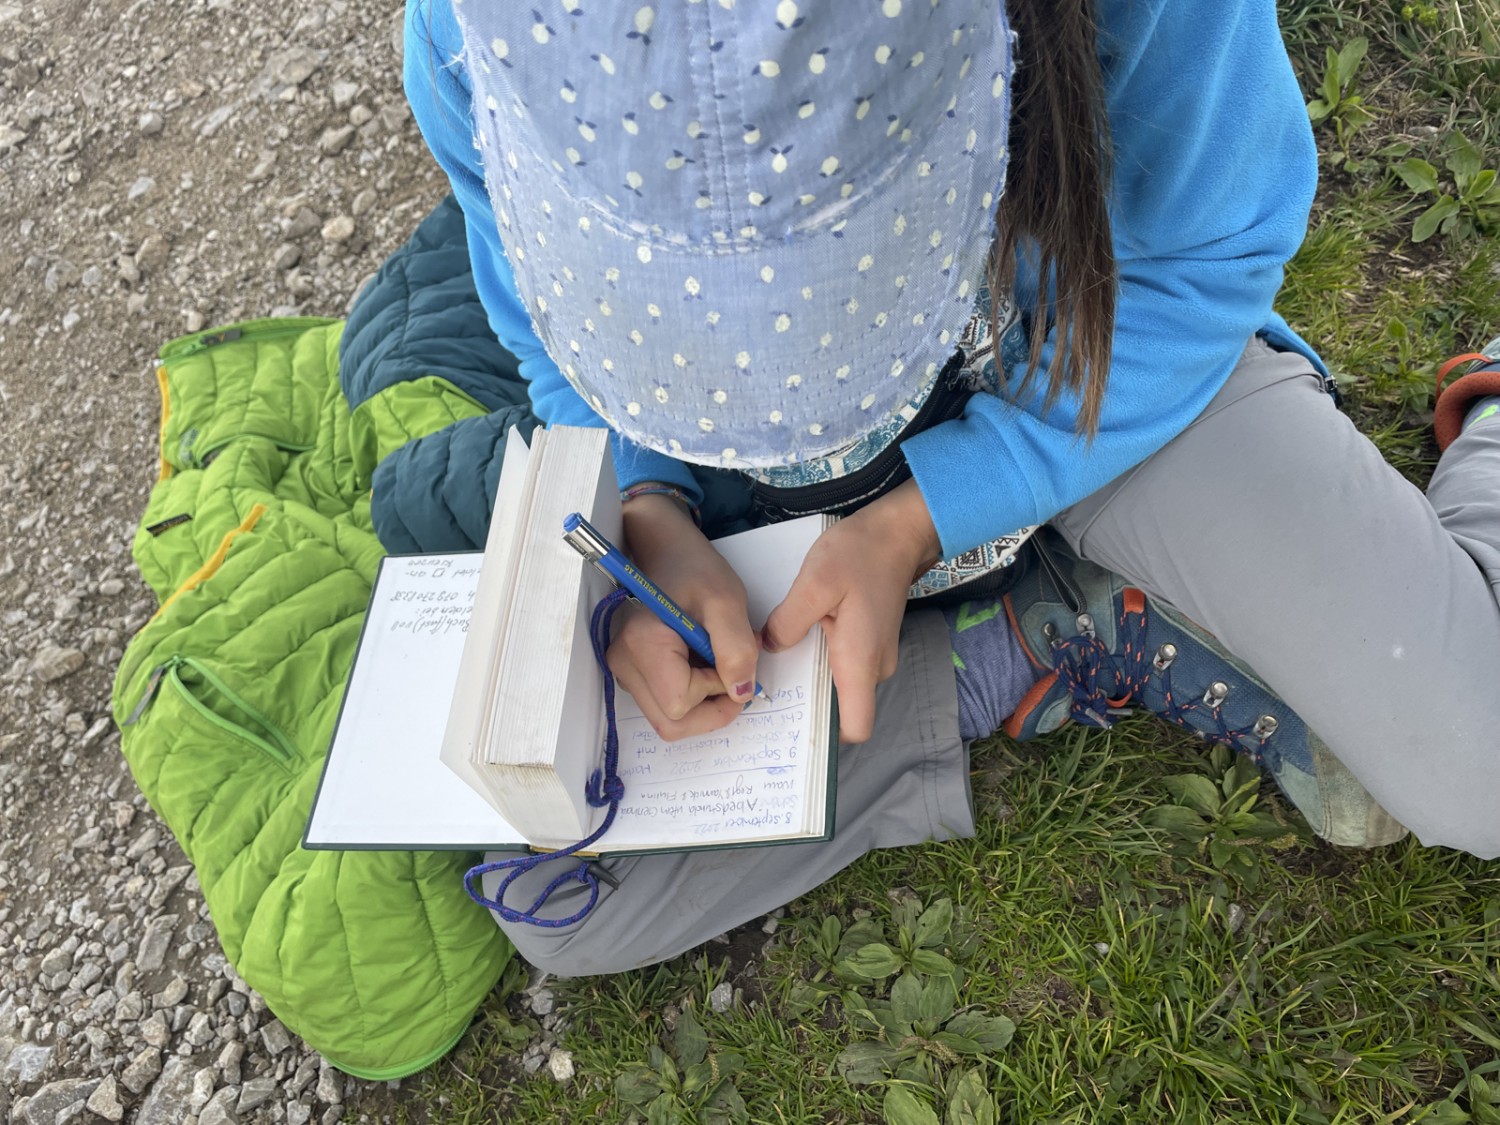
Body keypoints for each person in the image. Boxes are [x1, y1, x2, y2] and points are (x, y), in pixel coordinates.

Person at [402, 0, 1500, 976]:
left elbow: (1203, 260)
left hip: (1100, 391)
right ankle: (1031, 639)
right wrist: (650, 508)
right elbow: (548, 349)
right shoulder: (468, 40)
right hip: (776, 538)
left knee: (1481, 767)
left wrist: (925, 514)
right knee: (560, 893)